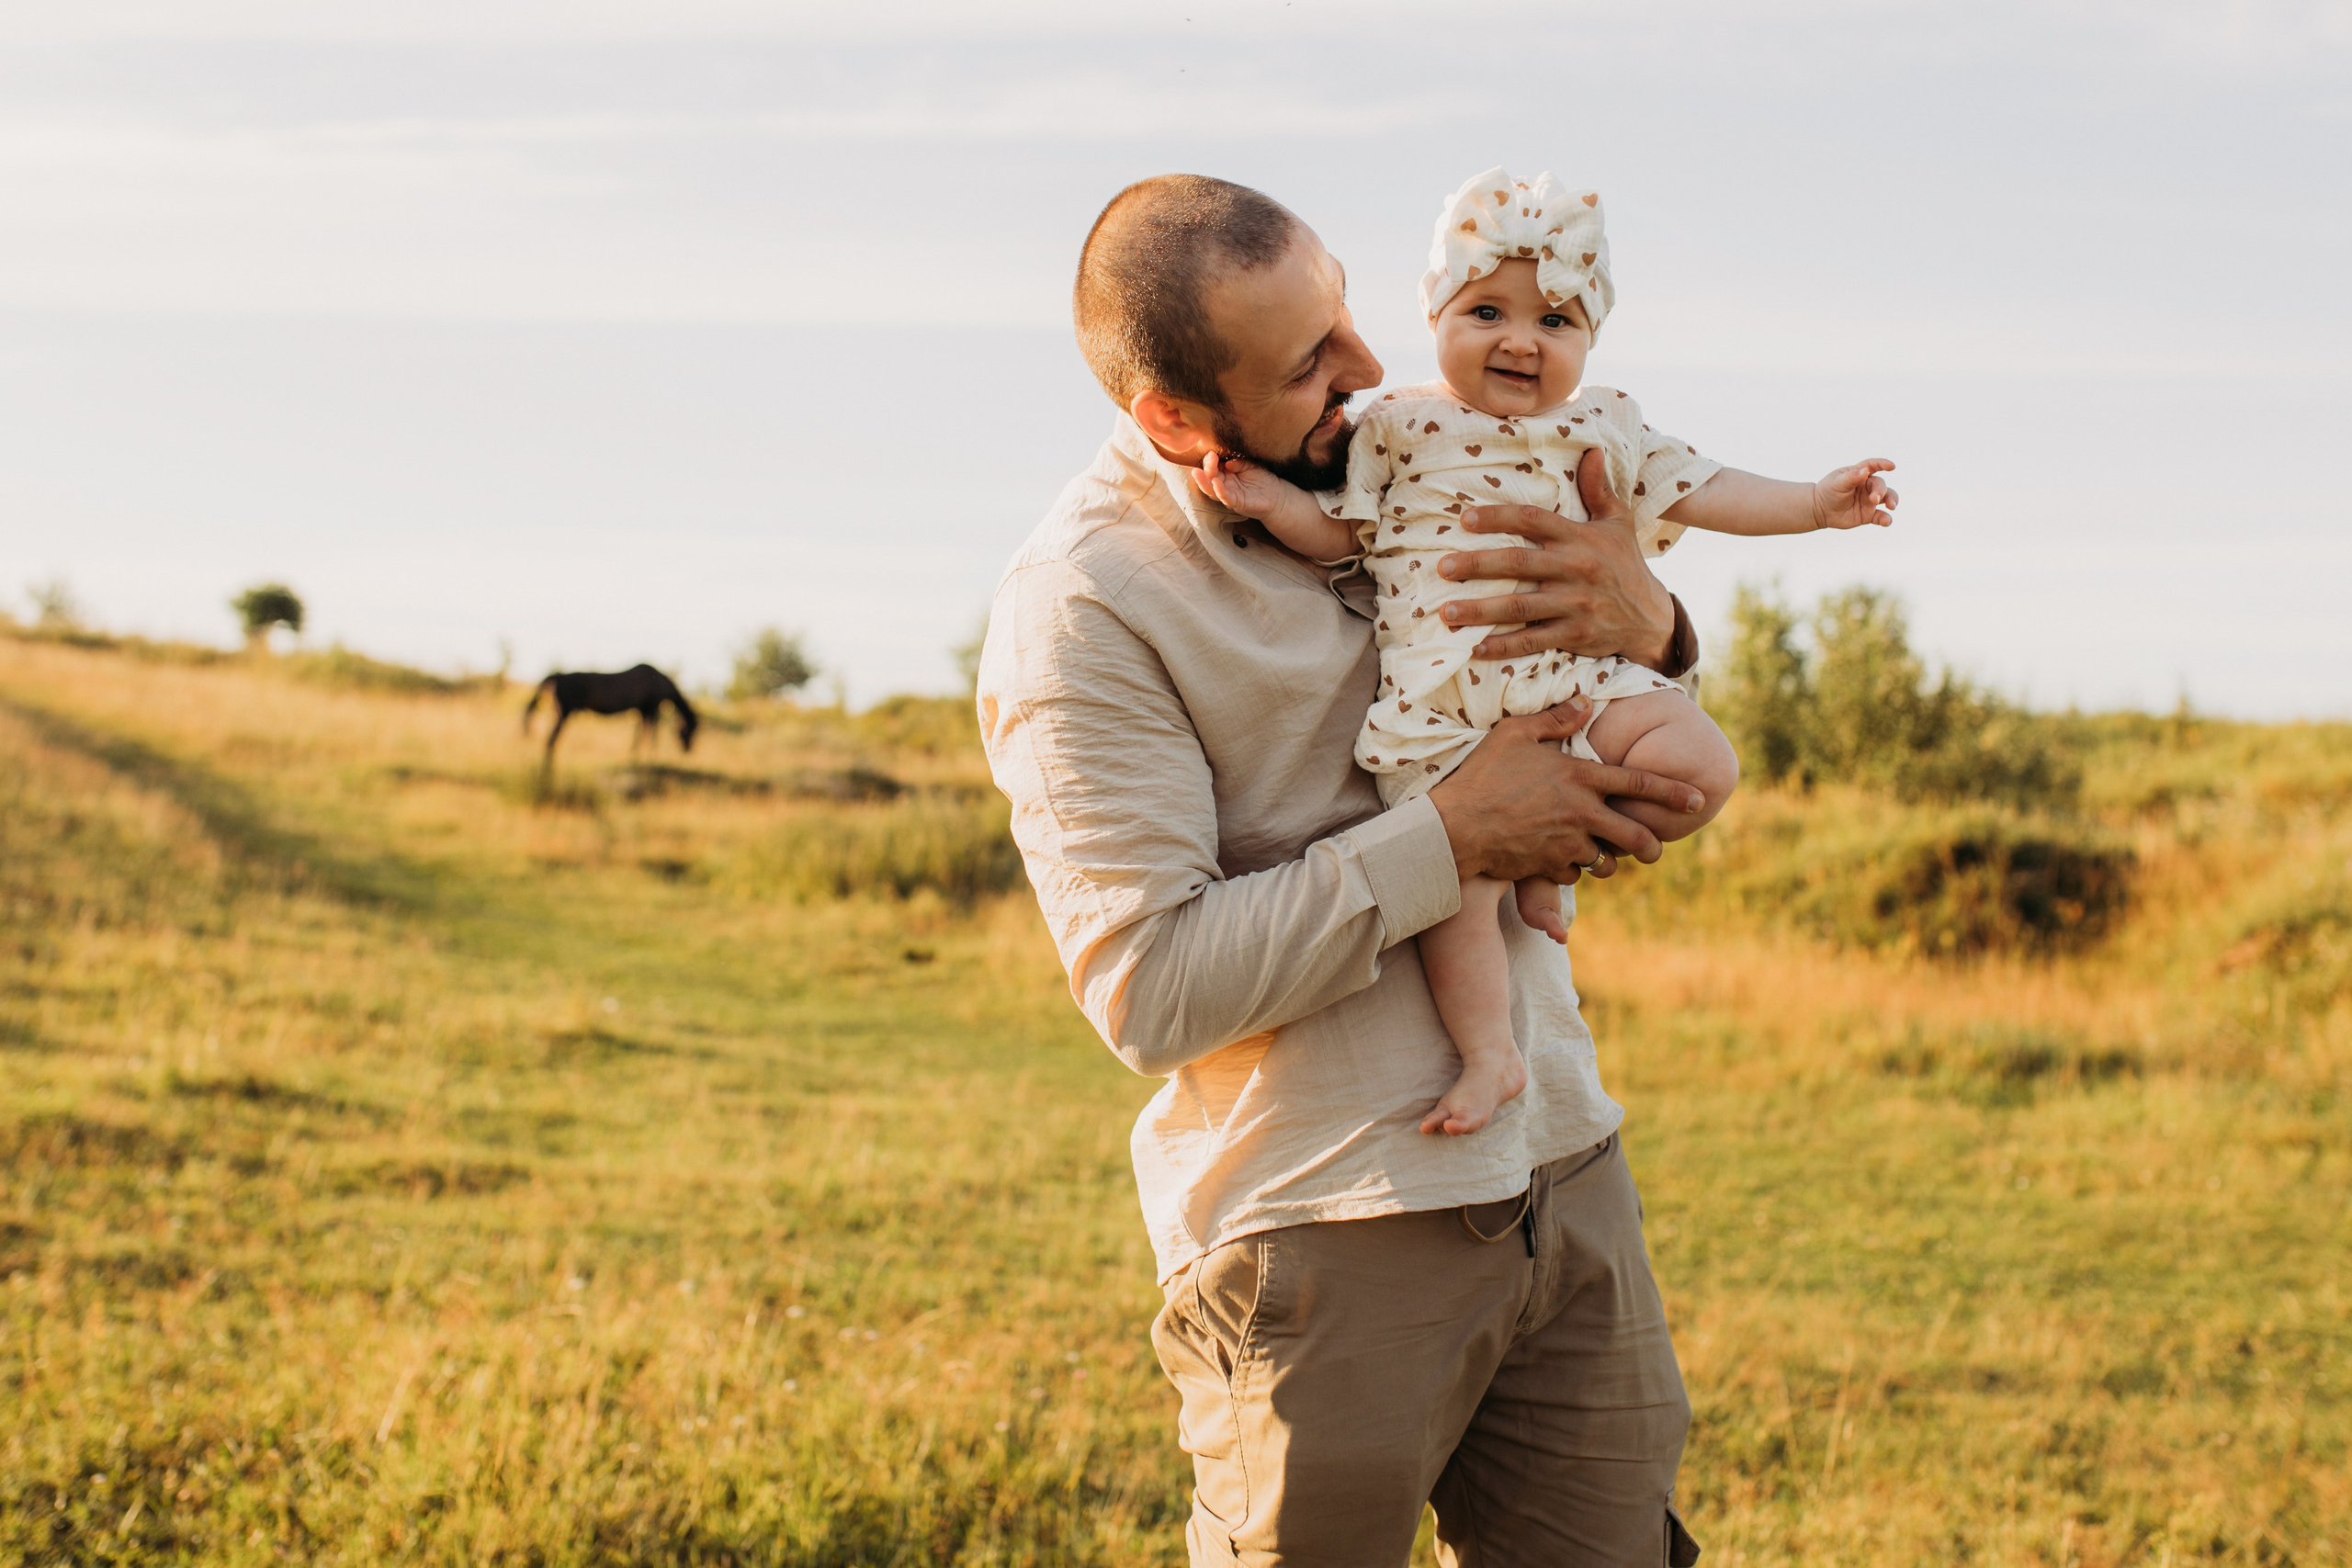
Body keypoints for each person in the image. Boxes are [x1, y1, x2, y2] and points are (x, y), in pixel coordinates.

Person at [978, 174, 1717, 1566]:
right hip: (1326, 1236)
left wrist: (1658, 628)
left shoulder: (1413, 458)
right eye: (1308, 361)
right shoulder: (1082, 605)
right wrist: (1456, 840)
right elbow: (1148, 989)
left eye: (1347, 318)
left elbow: (1576, 684)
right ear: (1177, 420)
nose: (1368, 367)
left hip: (1566, 1165)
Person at [1191, 165, 1896, 1137]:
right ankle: (1491, 1056)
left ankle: (1557, 858)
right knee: (1458, 892)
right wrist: (1274, 504)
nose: (1521, 340)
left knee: (1701, 764)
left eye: (1555, 320)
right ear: (1435, 313)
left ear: (1592, 336)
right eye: (1486, 311)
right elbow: (1341, 533)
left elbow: (1704, 487)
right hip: (1451, 716)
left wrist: (1814, 504)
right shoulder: (1396, 426)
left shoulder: (1602, 422)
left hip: (1580, 685)